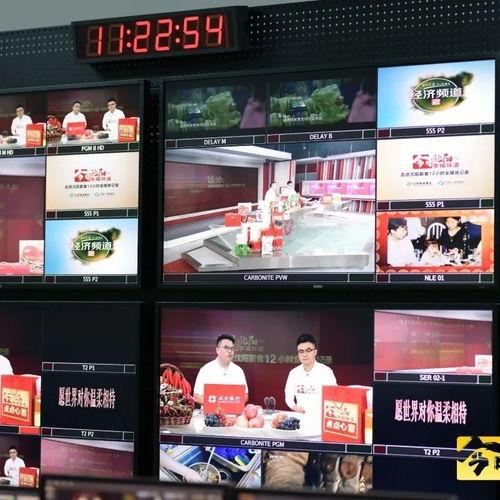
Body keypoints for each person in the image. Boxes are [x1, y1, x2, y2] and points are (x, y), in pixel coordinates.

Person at [284, 334, 337, 418]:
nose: (304, 354)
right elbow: (288, 395)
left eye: (308, 350)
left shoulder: (326, 372)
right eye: (301, 351)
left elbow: (334, 396)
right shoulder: (294, 373)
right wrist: (294, 407)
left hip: (321, 418)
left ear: (315, 352)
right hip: (300, 418)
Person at [193, 334, 248, 405]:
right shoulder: (206, 369)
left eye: (232, 348)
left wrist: (227, 404)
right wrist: (219, 405)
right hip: (211, 411)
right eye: (226, 348)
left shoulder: (238, 371)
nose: (230, 351)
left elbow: (245, 395)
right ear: (218, 350)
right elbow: (197, 396)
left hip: (232, 411)